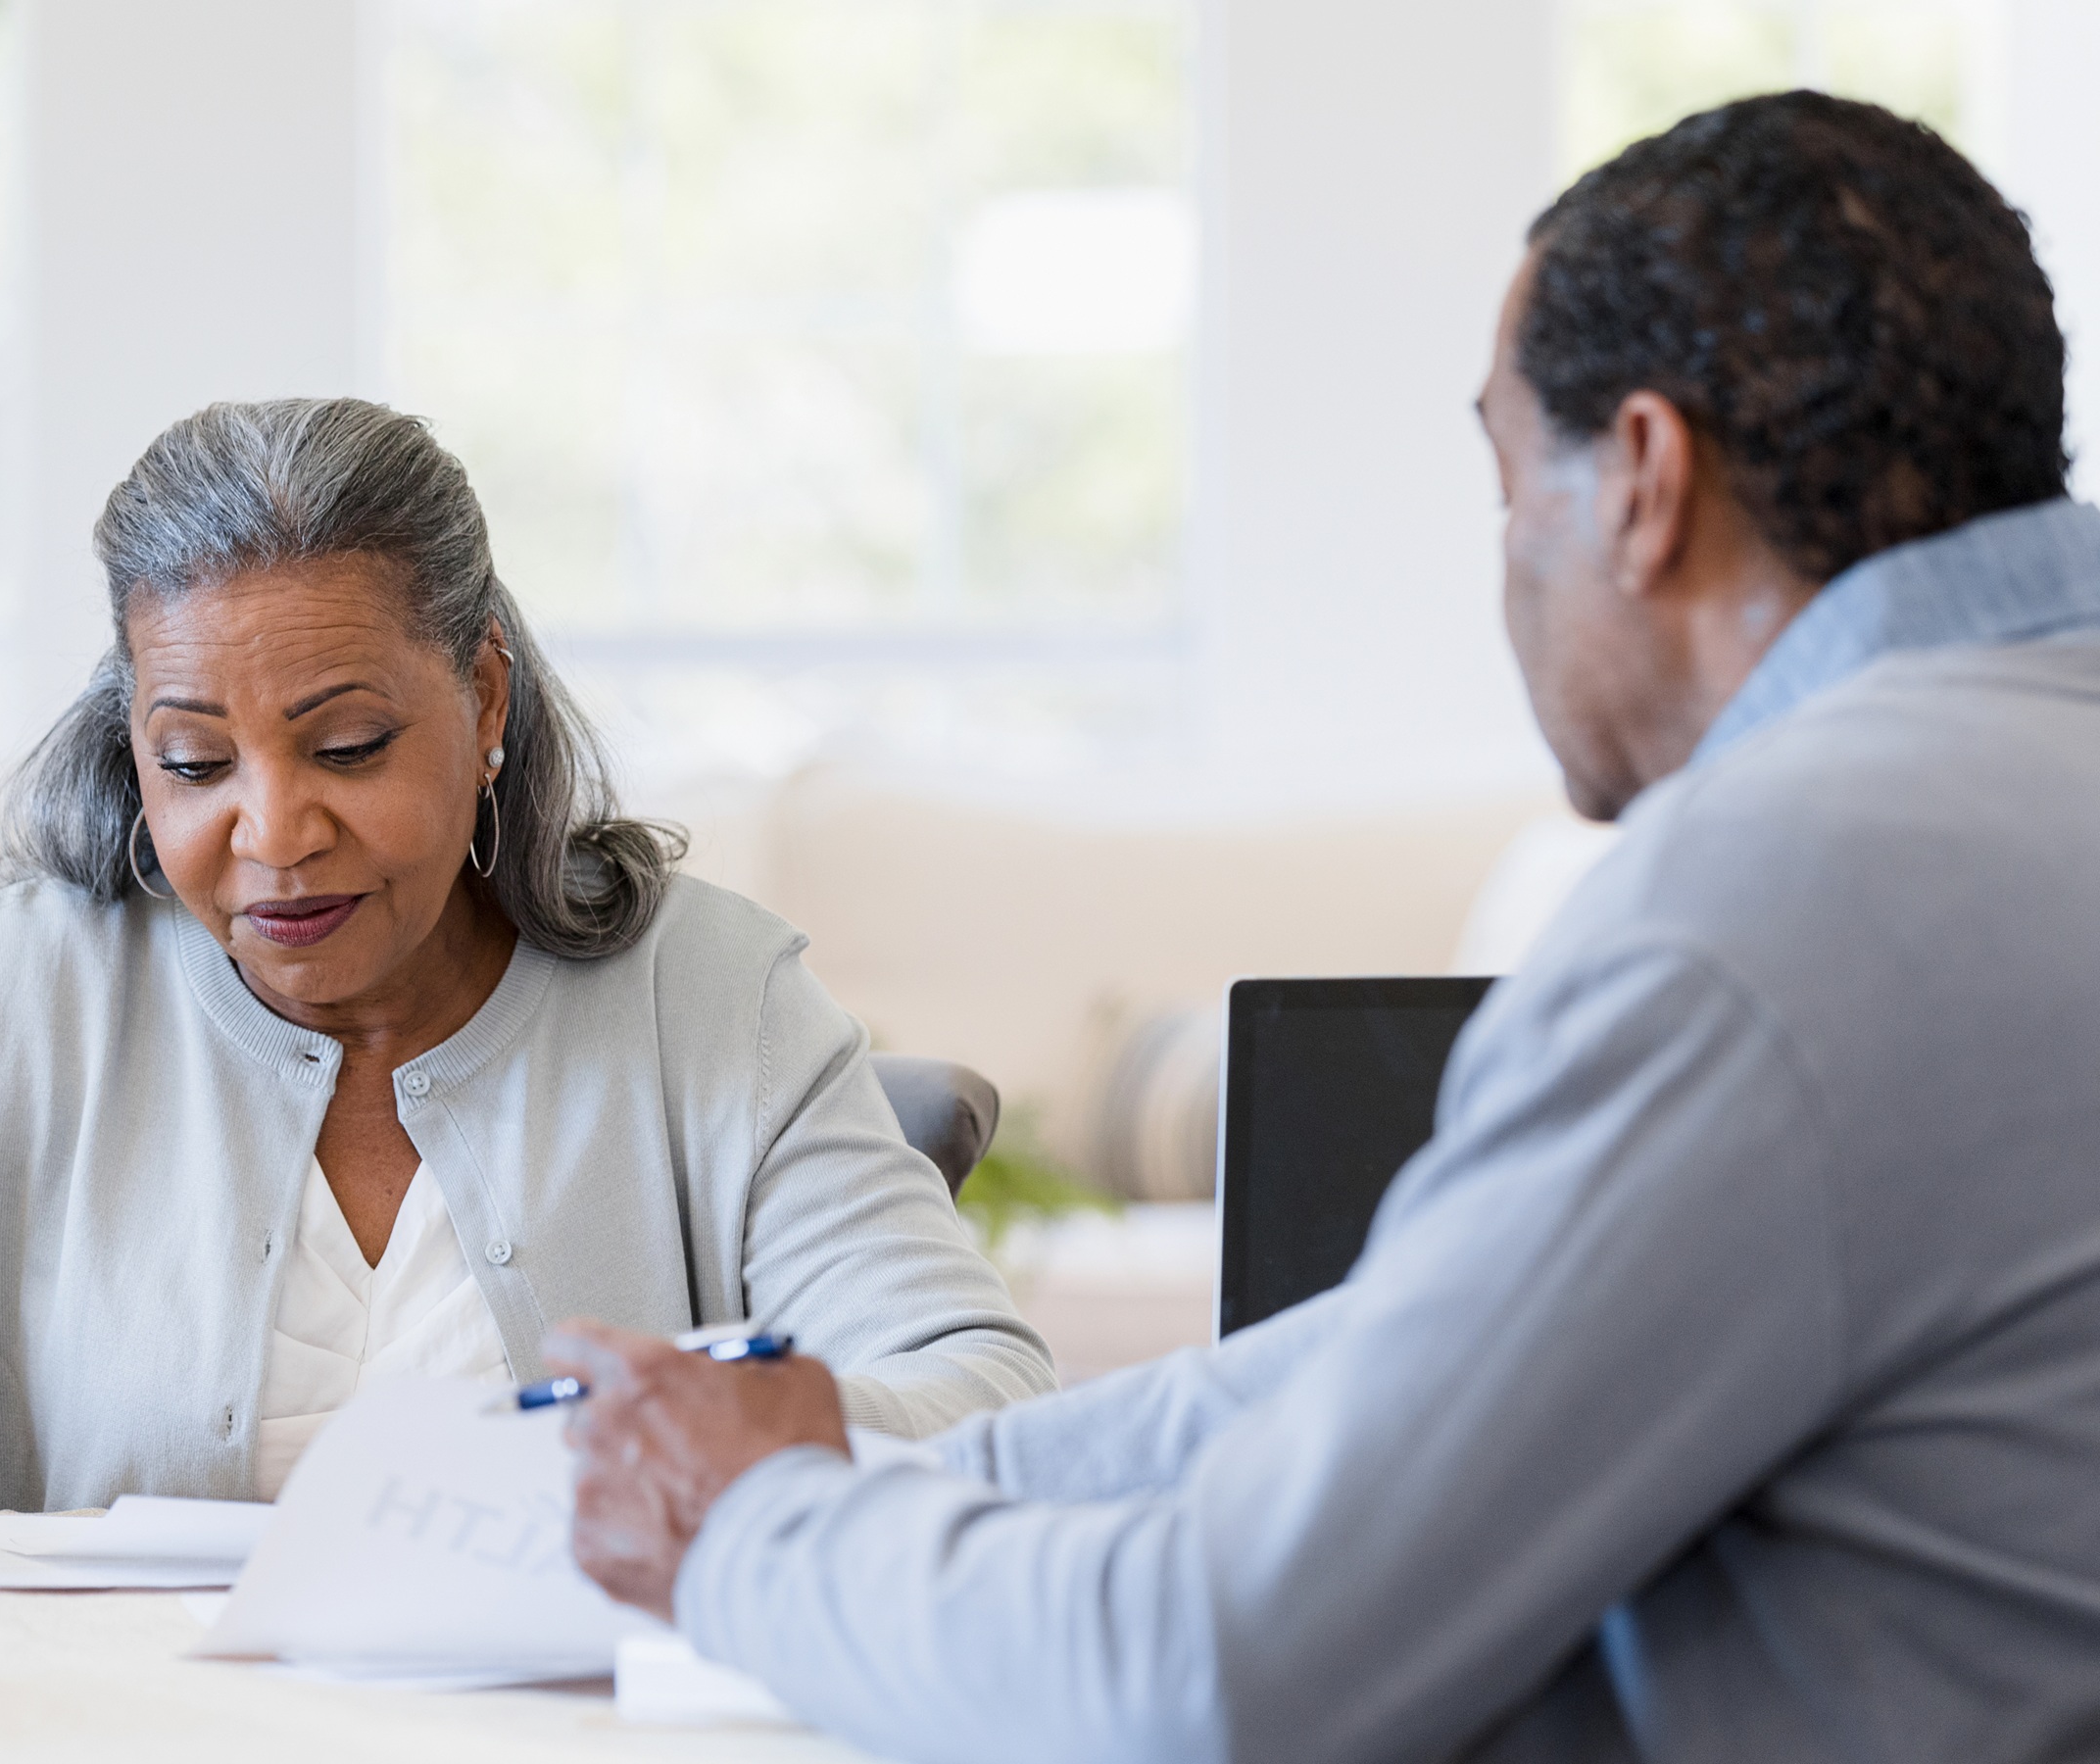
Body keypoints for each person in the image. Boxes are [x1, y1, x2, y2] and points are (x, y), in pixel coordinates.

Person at [547, 91, 2100, 1763]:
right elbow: (1386, 1368)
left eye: (1510, 484)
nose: (1507, 564)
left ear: (1644, 478)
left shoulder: (1774, 903)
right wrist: (873, 1470)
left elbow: (1215, 1674)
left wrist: (753, 1531)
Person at [0, 398, 1055, 1545]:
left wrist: (765, 1431)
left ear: (487, 696)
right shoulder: (3, 1008)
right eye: (193, 762)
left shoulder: (712, 1000)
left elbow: (996, 1403)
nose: (273, 832)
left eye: (350, 746)